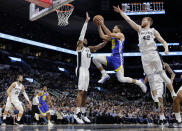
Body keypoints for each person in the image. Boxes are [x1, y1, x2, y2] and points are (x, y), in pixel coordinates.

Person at [113, 5, 176, 98]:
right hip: (144, 55)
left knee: (161, 73)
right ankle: (156, 100)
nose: (142, 21)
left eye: (144, 20)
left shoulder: (153, 31)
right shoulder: (139, 29)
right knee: (150, 77)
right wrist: (121, 12)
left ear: (149, 22)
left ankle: (172, 92)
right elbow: (129, 20)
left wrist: (166, 49)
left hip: (153, 53)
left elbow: (163, 41)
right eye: (142, 20)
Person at [92, 17, 147, 93]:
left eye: (114, 28)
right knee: (95, 58)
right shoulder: (113, 37)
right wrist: (99, 26)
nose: (113, 28)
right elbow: (102, 36)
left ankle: (139, 82)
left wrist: (102, 24)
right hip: (112, 57)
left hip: (118, 59)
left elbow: (109, 34)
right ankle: (104, 74)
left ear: (119, 29)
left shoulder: (121, 35)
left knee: (121, 79)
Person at [74, 12, 109, 124]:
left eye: (85, 39)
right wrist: (86, 21)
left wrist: (105, 42)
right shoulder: (79, 47)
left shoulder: (88, 49)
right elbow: (82, 34)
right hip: (80, 69)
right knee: (80, 91)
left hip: (87, 71)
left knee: (85, 92)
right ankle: (77, 113)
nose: (85, 39)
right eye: (83, 39)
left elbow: (98, 46)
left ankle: (83, 113)